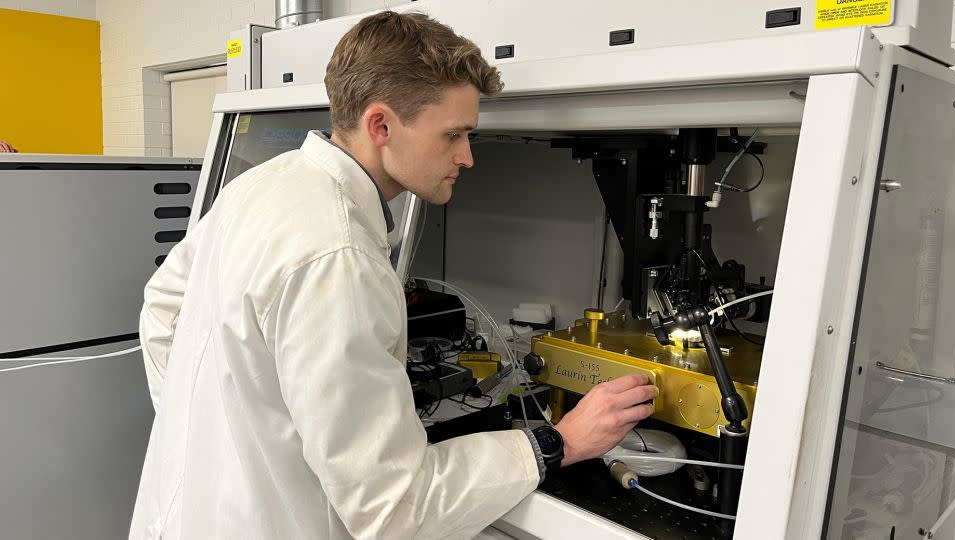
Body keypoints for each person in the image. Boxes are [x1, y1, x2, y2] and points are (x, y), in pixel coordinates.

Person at [130, 11, 659, 540]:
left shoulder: (261, 185)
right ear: (380, 125)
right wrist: (558, 442)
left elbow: (161, 310)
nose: (468, 157)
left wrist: (211, 431)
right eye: (453, 135)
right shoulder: (340, 255)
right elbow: (394, 508)